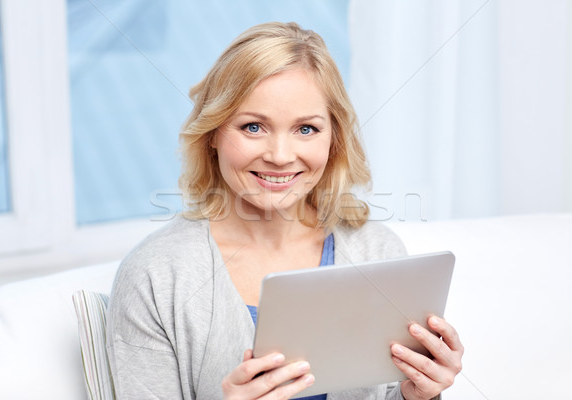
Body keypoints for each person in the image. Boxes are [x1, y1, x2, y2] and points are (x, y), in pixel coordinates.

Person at [106, 22, 463, 400]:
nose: (279, 156)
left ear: (334, 139)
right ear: (212, 132)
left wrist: (419, 395)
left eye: (306, 129)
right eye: (253, 126)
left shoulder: (377, 253)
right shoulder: (155, 277)